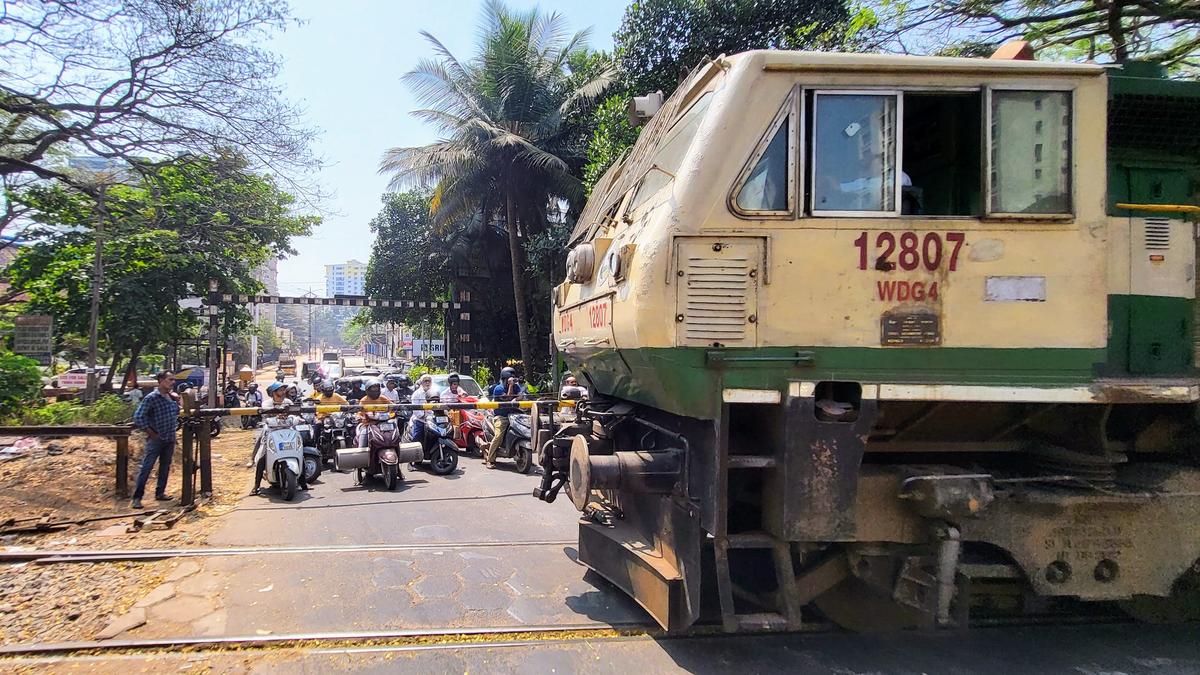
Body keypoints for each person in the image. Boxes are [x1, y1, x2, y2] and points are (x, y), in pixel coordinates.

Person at [130, 372, 181, 509]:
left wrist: (178, 401)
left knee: (165, 466)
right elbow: (139, 417)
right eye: (170, 380)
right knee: (147, 467)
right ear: (161, 381)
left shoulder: (170, 397)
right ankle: (137, 497)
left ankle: (160, 493)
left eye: (173, 380)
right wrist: (151, 433)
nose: (172, 382)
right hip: (156, 439)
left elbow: (177, 413)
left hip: (169, 438)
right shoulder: (152, 398)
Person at [251, 382, 307, 494]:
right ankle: (256, 485)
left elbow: (295, 414)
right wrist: (277, 415)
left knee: (300, 452)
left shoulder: (288, 402)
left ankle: (303, 482)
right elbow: (266, 415)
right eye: (280, 390)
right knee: (263, 455)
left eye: (283, 390)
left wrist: (297, 418)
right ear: (273, 392)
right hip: (272, 430)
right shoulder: (267, 404)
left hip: (287, 429)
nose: (282, 392)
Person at [485, 367, 526, 468]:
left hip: (514, 415)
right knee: (498, 436)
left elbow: (521, 396)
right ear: (505, 378)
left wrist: (516, 398)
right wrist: (511, 386)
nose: (512, 380)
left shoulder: (516, 387)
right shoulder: (498, 389)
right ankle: (490, 460)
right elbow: (507, 398)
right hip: (501, 416)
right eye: (510, 378)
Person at [356, 379, 392, 447]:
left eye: (377, 388)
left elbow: (392, 407)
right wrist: (360, 417)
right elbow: (360, 412)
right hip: (368, 424)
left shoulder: (383, 398)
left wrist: (394, 412)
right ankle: (362, 452)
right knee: (364, 434)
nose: (376, 390)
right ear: (368, 390)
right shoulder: (364, 400)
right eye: (373, 388)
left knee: (394, 431)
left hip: (383, 423)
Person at [405, 374, 439, 443]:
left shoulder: (435, 392)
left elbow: (439, 404)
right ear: (421, 382)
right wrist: (424, 416)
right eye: (425, 381)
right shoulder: (416, 394)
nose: (427, 383)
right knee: (417, 437)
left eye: (429, 381)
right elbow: (416, 410)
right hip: (420, 420)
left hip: (433, 419)